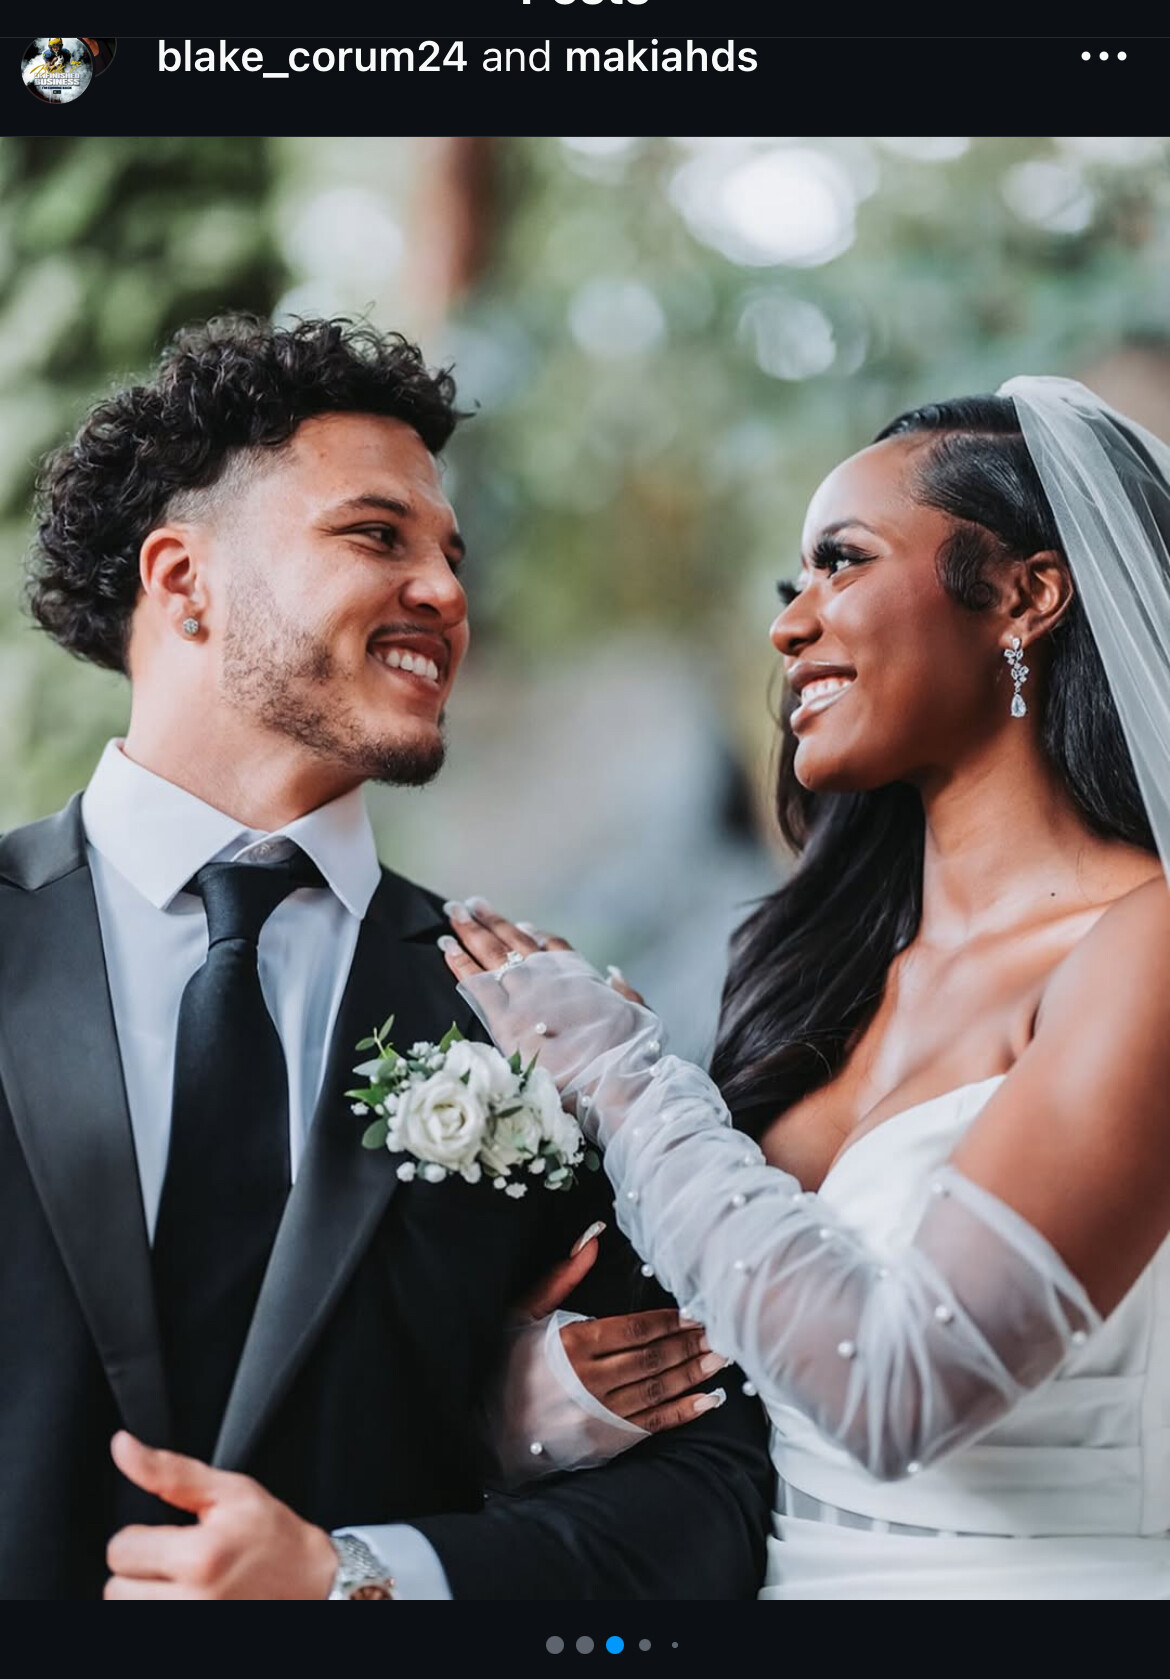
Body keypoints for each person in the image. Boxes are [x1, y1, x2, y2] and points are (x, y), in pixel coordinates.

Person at [0, 313, 772, 1601]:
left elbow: (714, 1489)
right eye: (378, 535)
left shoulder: (529, 1015)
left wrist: (362, 1578)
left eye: (452, 554)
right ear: (183, 581)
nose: (450, 594)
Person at [441, 379, 1170, 1599]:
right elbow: (747, 1324)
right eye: (793, 583)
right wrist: (538, 1396)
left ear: (1026, 595)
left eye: (843, 561)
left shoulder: (1145, 946)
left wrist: (622, 1080)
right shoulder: (821, 973)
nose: (789, 625)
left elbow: (899, 1389)